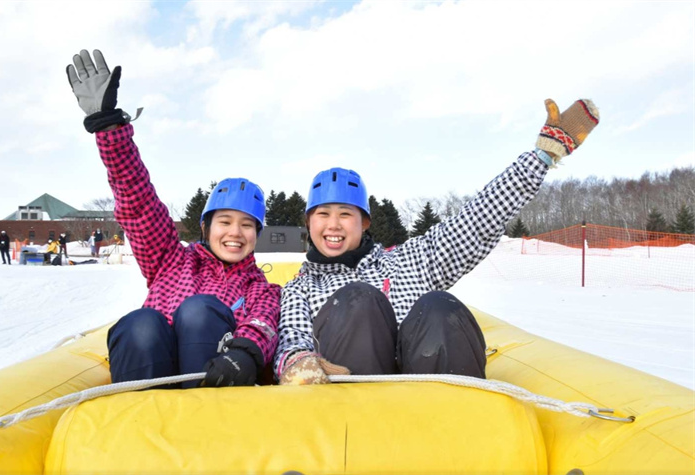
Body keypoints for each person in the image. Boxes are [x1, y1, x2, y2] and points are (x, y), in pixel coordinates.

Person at [275, 98, 600, 385]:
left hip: (427, 409)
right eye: (323, 215)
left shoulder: (410, 261)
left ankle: (457, 428)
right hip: (353, 413)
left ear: (364, 222)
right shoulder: (298, 289)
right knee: (358, 300)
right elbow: (292, 339)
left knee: (439, 305)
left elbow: (475, 220)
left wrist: (541, 157)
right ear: (309, 223)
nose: (333, 225)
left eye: (345, 214)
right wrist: (297, 363)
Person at [66, 49, 281, 388]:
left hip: (213, 388)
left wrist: (244, 351)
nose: (235, 233)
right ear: (206, 227)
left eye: (247, 224)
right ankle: (134, 421)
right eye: (225, 222)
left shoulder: (262, 290)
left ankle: (199, 422)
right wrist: (109, 127)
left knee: (199, 310)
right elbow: (137, 200)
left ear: (257, 233)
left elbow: (262, 326)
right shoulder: (169, 259)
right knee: (142, 323)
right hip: (155, 377)